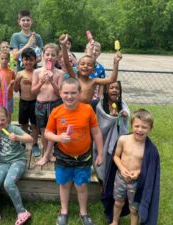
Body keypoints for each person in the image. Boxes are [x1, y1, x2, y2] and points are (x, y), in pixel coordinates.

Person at [44, 78, 104, 225]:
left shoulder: (88, 110)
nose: (69, 96)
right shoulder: (56, 112)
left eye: (73, 93)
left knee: (81, 185)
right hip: (64, 156)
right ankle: (64, 211)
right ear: (60, 93)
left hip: (83, 156)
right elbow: (47, 133)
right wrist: (58, 137)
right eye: (66, 93)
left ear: (79, 93)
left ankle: (83, 212)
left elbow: (96, 133)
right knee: (64, 184)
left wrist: (101, 153)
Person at [101, 109, 160, 225]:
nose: (139, 130)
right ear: (131, 125)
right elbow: (116, 156)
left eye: (144, 127)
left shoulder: (149, 150)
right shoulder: (123, 140)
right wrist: (122, 169)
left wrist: (138, 172)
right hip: (120, 179)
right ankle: (114, 221)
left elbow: (148, 167)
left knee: (134, 208)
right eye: (136, 126)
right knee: (118, 202)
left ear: (150, 129)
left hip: (136, 183)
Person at [0, 106, 33, 224]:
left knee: (8, 183)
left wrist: (17, 137)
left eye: (2, 119)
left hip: (18, 161)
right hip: (3, 162)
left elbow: (30, 138)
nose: (0, 122)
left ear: (8, 118)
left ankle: (22, 211)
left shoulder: (13, 128)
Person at [59, 34, 122, 105]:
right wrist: (64, 46)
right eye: (82, 64)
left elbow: (112, 80)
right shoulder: (75, 77)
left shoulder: (94, 81)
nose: (85, 66)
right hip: (74, 110)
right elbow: (67, 63)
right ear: (77, 67)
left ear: (93, 70)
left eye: (89, 65)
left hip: (87, 111)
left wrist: (116, 63)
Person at [31, 43, 64, 165]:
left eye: (53, 55)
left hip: (55, 104)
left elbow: (60, 93)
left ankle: (49, 154)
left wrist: (51, 82)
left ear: (57, 57)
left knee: (53, 131)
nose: (50, 57)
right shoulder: (37, 72)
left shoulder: (60, 73)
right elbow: (33, 92)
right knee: (44, 131)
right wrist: (41, 82)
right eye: (47, 54)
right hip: (40, 104)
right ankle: (47, 154)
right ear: (43, 55)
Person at [93, 81, 130, 183]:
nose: (114, 90)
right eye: (111, 88)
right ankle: (102, 181)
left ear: (120, 91)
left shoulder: (122, 105)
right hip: (103, 139)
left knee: (116, 160)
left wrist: (124, 116)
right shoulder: (100, 106)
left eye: (117, 88)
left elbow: (126, 122)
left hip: (118, 139)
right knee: (104, 161)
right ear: (106, 90)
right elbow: (100, 124)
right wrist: (111, 118)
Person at [14, 48, 41, 157]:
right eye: (26, 60)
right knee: (23, 124)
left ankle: (34, 144)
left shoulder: (37, 73)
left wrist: (31, 82)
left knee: (34, 125)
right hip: (23, 102)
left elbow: (40, 89)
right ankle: (23, 142)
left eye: (31, 60)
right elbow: (16, 90)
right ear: (22, 60)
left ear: (35, 61)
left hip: (35, 102)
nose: (28, 62)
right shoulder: (20, 73)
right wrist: (17, 81)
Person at [0, 50, 16, 122]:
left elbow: (14, 82)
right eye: (2, 58)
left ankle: (9, 127)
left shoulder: (11, 72)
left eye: (6, 58)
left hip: (9, 97)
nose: (4, 61)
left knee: (8, 114)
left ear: (9, 59)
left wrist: (12, 84)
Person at [85, 41, 106, 106]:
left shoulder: (101, 68)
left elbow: (101, 86)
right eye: (92, 49)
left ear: (99, 53)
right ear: (85, 51)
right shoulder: (80, 66)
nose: (94, 52)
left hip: (93, 99)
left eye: (96, 50)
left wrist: (99, 99)